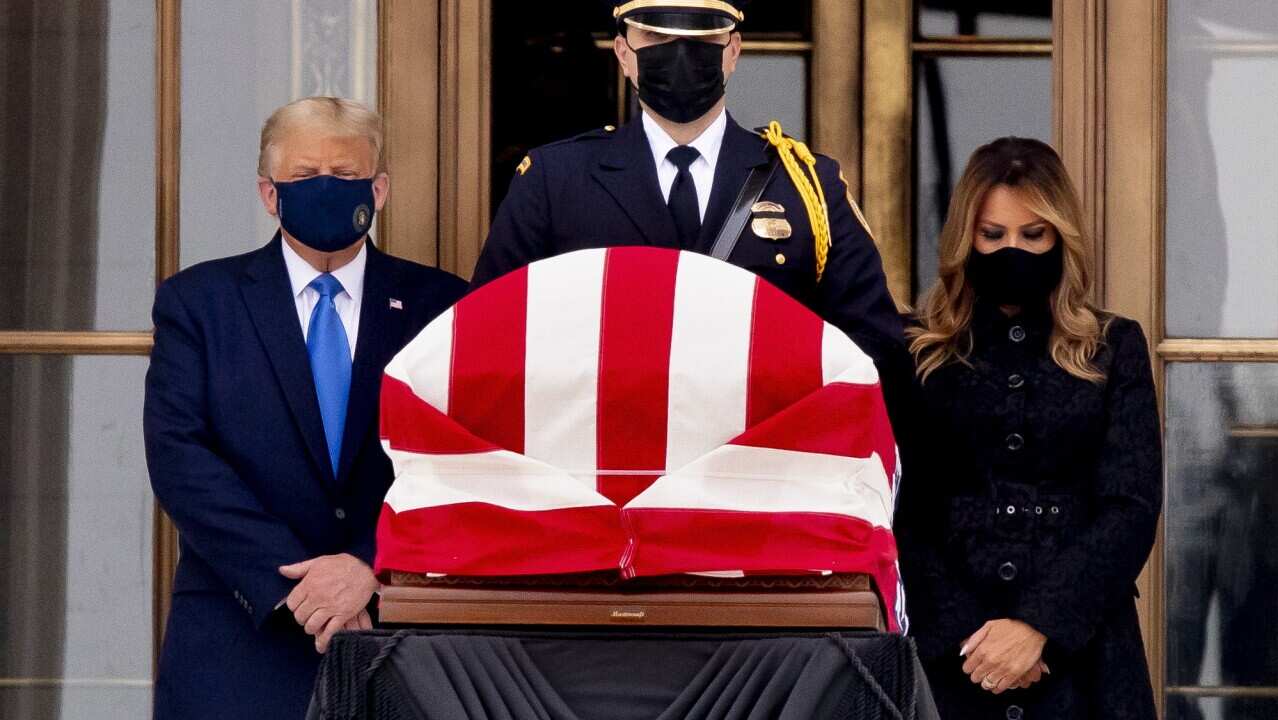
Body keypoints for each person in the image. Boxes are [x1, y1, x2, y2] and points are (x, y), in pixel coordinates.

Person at [143, 97, 466, 719]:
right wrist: (299, 585)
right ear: (269, 194)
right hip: (240, 631)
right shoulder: (199, 302)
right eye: (304, 176)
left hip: (398, 629)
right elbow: (181, 459)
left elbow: (459, 457)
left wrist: (369, 564)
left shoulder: (440, 304)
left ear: (381, 188)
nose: (326, 188)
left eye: (345, 176)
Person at [472, 0, 905, 379]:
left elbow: (873, 346)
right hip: (603, 456)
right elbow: (487, 334)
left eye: (701, 37)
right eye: (657, 36)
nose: (680, 54)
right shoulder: (555, 179)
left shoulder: (806, 186)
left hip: (759, 456)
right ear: (624, 54)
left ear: (732, 52)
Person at [896, 137, 1161, 719]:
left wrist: (1041, 624)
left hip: (1085, 654)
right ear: (966, 237)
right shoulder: (913, 349)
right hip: (946, 654)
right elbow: (895, 507)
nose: (1011, 250)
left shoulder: (1113, 347)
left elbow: (1131, 505)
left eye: (1032, 235)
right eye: (992, 236)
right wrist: (972, 640)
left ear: (1060, 238)